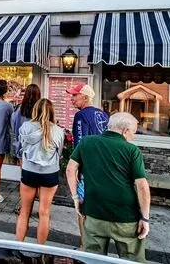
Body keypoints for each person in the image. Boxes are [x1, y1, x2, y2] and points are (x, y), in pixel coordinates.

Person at [66, 112, 150, 263]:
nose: (134, 136)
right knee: (131, 259)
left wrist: (76, 198)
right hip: (125, 217)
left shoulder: (86, 142)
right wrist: (145, 218)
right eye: (133, 132)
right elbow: (142, 186)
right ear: (125, 130)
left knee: (92, 259)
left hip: (93, 213)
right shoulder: (132, 151)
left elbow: (70, 170)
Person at [16, 98, 65, 244]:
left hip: (29, 171)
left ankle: (18, 246)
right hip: (49, 173)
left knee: (24, 211)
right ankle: (41, 250)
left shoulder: (25, 127)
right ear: (52, 112)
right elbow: (59, 152)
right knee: (44, 213)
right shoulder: (58, 131)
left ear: (35, 110)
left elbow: (22, 147)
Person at [66, 83, 109, 245]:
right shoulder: (104, 115)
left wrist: (75, 170)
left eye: (75, 95)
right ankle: (98, 246)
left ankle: (85, 245)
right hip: (104, 170)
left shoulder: (81, 116)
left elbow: (80, 144)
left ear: (85, 97)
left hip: (88, 170)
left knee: (82, 208)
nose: (72, 99)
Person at [11, 84, 41, 163]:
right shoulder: (41, 110)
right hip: (37, 146)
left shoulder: (19, 109)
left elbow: (13, 125)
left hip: (22, 144)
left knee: (24, 172)